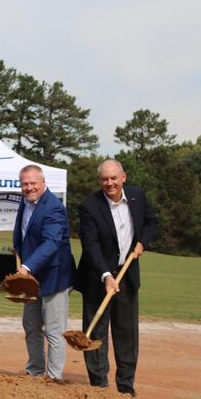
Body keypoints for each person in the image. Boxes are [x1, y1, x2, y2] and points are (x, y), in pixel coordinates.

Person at [76, 159, 158, 396]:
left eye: (114, 178)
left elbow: (151, 223)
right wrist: (105, 275)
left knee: (126, 334)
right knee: (95, 334)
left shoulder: (137, 196)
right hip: (97, 277)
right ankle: (100, 386)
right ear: (99, 180)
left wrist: (142, 242)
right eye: (104, 179)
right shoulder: (89, 206)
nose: (109, 183)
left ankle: (125, 387)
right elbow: (90, 246)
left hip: (127, 274)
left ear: (124, 177)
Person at [13, 164, 76, 380]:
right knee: (31, 325)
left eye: (33, 183)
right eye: (25, 184)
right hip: (32, 278)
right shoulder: (25, 203)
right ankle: (35, 370)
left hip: (55, 277)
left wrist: (26, 267)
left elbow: (51, 244)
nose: (29, 187)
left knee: (54, 330)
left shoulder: (54, 207)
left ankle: (54, 377)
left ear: (43, 183)